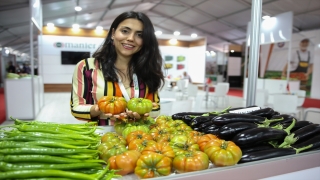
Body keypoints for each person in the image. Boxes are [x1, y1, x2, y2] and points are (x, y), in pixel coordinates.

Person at [70, 11, 164, 126]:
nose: (131, 38)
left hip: (138, 138)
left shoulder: (148, 69)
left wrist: (142, 112)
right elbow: (76, 108)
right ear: (113, 33)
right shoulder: (87, 67)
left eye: (140, 35)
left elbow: (156, 107)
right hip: (101, 138)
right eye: (125, 31)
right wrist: (99, 109)